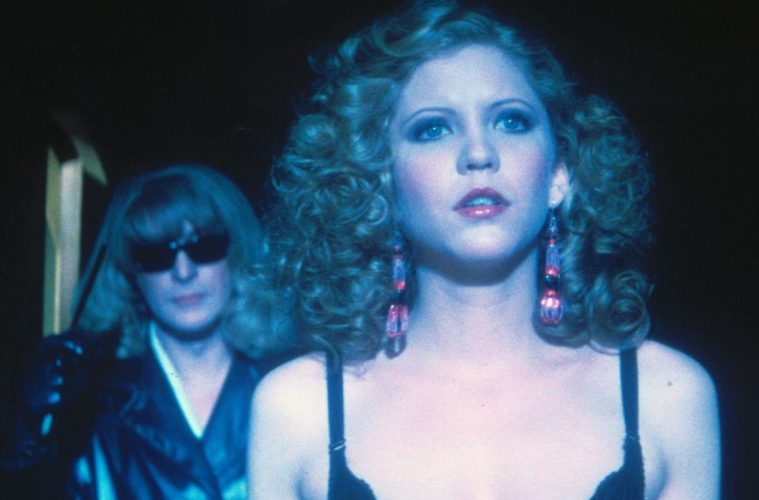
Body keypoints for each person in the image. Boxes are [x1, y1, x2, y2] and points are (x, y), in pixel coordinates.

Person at [247, 1, 721, 499]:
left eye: (511, 121)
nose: (478, 153)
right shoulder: (300, 409)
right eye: (432, 129)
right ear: (380, 182)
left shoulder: (664, 396)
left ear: (559, 173)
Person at [1, 165, 291, 498]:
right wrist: (28, 426)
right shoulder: (89, 405)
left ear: (235, 255)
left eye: (204, 247)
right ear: (131, 273)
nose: (183, 272)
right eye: (157, 254)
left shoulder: (293, 383)